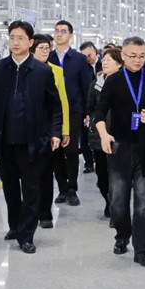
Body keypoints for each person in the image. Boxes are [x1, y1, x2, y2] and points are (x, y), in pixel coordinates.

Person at [0, 21, 62, 254]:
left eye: (20, 38)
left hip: (32, 141)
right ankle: (15, 225)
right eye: (12, 37)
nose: (15, 42)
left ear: (30, 42)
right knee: (10, 188)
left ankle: (27, 234)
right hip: (5, 141)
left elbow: (54, 106)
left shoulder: (42, 71)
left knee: (31, 189)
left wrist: (55, 133)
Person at [94, 36, 145, 267]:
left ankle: (143, 249)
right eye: (132, 56)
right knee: (118, 200)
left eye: (142, 56)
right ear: (123, 56)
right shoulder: (113, 81)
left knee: (144, 200)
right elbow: (99, 112)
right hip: (119, 147)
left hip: (144, 147)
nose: (137, 60)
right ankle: (122, 234)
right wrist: (104, 134)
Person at [48, 20, 95, 206]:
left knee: (71, 150)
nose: (59, 34)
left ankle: (72, 189)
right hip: (53, 112)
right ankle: (61, 189)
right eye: (57, 31)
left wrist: (87, 111)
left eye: (63, 31)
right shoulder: (48, 58)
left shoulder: (78, 59)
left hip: (74, 111)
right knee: (56, 151)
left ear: (71, 35)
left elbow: (87, 86)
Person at [31, 34, 70, 229]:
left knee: (46, 172)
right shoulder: (23, 70)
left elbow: (62, 102)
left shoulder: (55, 71)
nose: (45, 52)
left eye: (48, 48)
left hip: (47, 130)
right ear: (32, 50)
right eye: (41, 48)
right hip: (26, 129)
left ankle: (45, 213)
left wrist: (64, 130)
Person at [87, 48, 124, 221]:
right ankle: (108, 200)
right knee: (102, 174)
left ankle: (117, 207)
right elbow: (90, 107)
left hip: (119, 135)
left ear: (120, 64)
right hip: (99, 136)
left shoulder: (125, 84)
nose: (105, 62)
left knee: (117, 174)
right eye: (104, 59)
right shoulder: (96, 84)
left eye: (110, 60)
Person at [79, 41, 100, 174]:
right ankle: (89, 163)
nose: (87, 58)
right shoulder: (82, 68)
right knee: (84, 136)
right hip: (85, 105)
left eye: (89, 55)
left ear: (95, 52)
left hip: (101, 106)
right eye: (84, 56)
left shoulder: (104, 64)